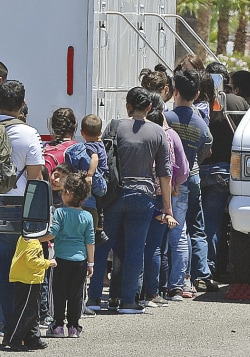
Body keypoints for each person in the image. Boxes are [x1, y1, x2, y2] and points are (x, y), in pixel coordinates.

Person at [87, 86, 172, 314]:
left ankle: (94, 298)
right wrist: (167, 207)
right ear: (150, 107)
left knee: (104, 245)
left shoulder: (115, 127)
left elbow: (103, 160)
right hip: (143, 196)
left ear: (128, 106)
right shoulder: (157, 132)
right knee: (136, 249)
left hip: (114, 195)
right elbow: (165, 173)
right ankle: (128, 301)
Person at [0, 79, 45, 337]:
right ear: (23, 104)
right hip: (16, 208)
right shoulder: (28, 134)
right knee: (11, 269)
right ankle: (7, 322)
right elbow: (35, 178)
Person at [163, 69, 215, 300]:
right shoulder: (201, 124)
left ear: (175, 91)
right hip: (193, 176)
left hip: (172, 182)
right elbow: (206, 149)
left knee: (174, 230)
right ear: (197, 94)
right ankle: (197, 275)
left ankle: (176, 281)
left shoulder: (167, 119)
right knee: (196, 227)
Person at [202, 62, 250, 280]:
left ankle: (203, 268)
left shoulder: (201, 103)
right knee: (221, 222)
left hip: (200, 168)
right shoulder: (239, 102)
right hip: (226, 169)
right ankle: (217, 266)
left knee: (200, 222)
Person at [141, 92, 187, 307]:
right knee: (157, 245)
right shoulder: (168, 136)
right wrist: (174, 187)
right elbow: (181, 169)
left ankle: (133, 291)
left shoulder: (135, 131)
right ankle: (154, 290)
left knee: (134, 244)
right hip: (161, 195)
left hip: (137, 192)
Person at [42, 172, 94, 338]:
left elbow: (52, 233)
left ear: (69, 193)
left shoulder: (60, 213)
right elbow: (90, 241)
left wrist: (36, 238)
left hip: (61, 260)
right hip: (80, 260)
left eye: (63, 191)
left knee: (58, 293)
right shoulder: (87, 216)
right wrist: (91, 263)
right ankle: (73, 326)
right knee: (76, 294)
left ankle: (57, 325)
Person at [2, 231, 55, 351]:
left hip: (31, 279)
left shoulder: (27, 238)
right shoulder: (33, 242)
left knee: (33, 311)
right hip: (28, 280)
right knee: (25, 311)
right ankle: (12, 338)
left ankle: (32, 338)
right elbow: (32, 262)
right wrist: (48, 262)